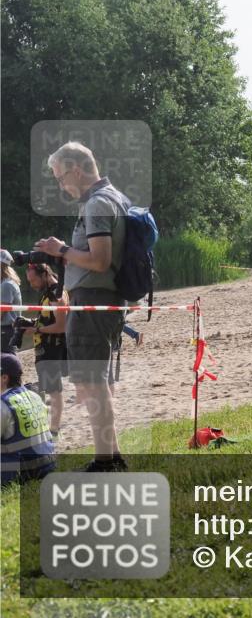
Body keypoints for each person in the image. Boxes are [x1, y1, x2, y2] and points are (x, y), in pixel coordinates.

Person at [33, 142, 130, 471]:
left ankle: (105, 461)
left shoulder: (97, 203)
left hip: (93, 298)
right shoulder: (114, 197)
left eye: (60, 177)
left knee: (92, 381)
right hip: (102, 299)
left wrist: (61, 250)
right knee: (95, 380)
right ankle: (112, 456)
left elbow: (100, 261)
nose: (61, 185)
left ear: (76, 170)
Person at [21, 263, 68, 438]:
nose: (32, 284)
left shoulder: (57, 293)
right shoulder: (48, 292)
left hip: (52, 348)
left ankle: (54, 429)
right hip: (45, 347)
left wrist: (37, 329)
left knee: (54, 391)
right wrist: (31, 323)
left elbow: (62, 326)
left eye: (33, 280)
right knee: (51, 390)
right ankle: (52, 427)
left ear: (45, 274)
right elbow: (48, 320)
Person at [1, 353, 56, 487]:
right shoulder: (34, 396)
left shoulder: (3, 404)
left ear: (4, 378)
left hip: (20, 473)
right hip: (47, 465)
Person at [1, 250, 22, 354]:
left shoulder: (6, 285)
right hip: (10, 329)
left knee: (7, 360)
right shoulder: (7, 282)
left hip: (6, 330)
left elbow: (2, 311)